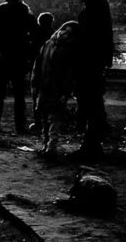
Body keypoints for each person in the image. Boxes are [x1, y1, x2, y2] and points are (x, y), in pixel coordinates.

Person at [71, 0, 114, 159]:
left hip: (90, 59)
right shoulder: (96, 0)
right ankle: (92, 143)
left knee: (89, 101)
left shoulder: (95, 2)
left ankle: (91, 146)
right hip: (93, 58)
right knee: (91, 101)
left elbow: (94, 34)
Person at [0, 0, 37, 133]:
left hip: (3, 56)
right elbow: (34, 32)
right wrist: (27, 51)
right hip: (19, 55)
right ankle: (20, 125)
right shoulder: (26, 13)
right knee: (19, 93)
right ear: (19, 0)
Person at [32, 20, 80, 158]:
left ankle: (50, 145)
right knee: (45, 116)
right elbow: (38, 66)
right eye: (65, 29)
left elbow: (69, 73)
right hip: (46, 85)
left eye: (68, 32)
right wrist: (35, 83)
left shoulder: (53, 45)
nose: (64, 33)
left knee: (53, 116)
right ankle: (47, 143)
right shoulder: (49, 44)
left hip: (56, 87)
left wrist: (65, 91)